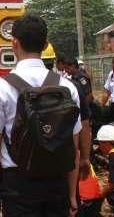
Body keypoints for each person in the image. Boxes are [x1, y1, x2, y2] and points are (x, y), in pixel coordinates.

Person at [0, 14, 82, 217]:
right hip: (57, 183)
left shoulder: (1, 87)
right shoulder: (67, 87)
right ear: (45, 45)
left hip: (18, 184)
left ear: (14, 43)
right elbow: (73, 147)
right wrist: (72, 195)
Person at [44, 51, 92, 179]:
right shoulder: (70, 86)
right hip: (63, 160)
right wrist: (85, 158)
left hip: (25, 168)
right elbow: (84, 123)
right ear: (53, 61)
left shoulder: (6, 85)